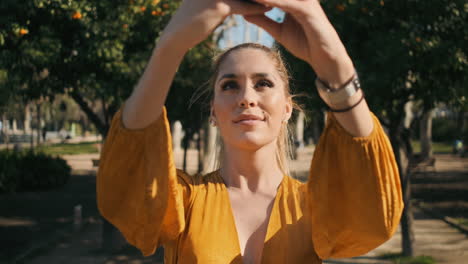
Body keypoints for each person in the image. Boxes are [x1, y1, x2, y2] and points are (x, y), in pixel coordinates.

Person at [97, 0, 404, 263]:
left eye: (263, 83)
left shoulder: (315, 205)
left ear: (287, 108)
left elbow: (375, 207)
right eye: (230, 85)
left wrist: (337, 64)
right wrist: (170, 46)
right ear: (213, 112)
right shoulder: (185, 202)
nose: (247, 97)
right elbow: (128, 176)